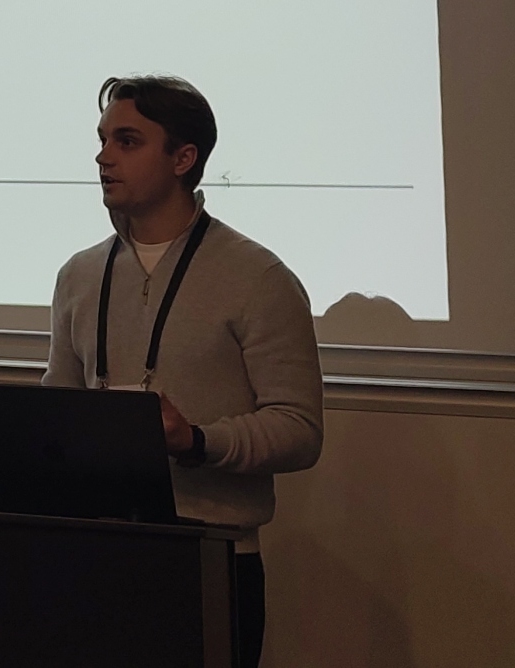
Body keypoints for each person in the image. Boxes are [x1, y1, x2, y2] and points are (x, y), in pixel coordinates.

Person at [46, 75, 323, 668]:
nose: (103, 157)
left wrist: (196, 441)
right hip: (94, 555)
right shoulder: (79, 275)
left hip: (211, 560)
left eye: (127, 141)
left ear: (183, 158)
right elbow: (61, 404)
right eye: (102, 140)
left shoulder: (258, 278)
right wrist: (4, 422)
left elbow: (299, 428)